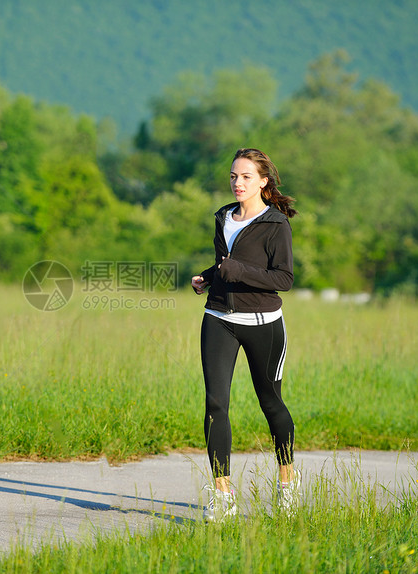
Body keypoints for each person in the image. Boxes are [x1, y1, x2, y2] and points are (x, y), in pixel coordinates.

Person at [191, 147, 299, 522]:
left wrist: (237, 272)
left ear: (263, 181)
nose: (238, 183)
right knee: (215, 404)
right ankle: (223, 496)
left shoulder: (276, 225)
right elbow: (228, 264)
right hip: (218, 317)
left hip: (262, 324)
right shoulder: (223, 216)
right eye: (234, 176)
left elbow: (283, 278)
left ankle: (287, 485)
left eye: (246, 177)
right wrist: (208, 275)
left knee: (271, 404)